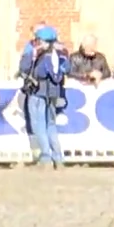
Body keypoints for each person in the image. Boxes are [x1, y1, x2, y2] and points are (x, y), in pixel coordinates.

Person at [19, 24, 69, 168]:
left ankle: (46, 157)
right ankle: (58, 158)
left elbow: (26, 68)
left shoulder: (37, 54)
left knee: (38, 125)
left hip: (37, 91)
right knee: (51, 125)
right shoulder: (61, 54)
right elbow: (67, 68)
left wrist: (32, 55)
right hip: (53, 92)